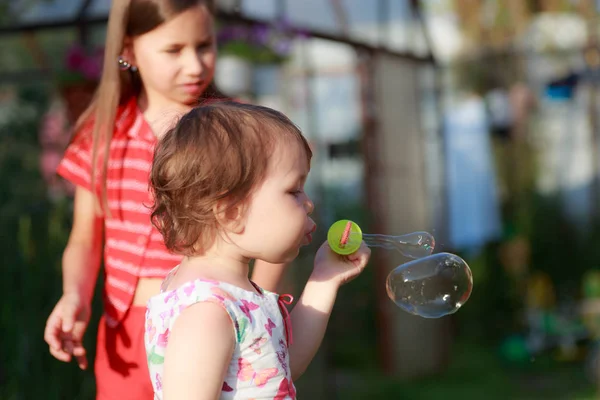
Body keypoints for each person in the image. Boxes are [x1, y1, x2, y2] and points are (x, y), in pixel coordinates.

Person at [43, 1, 288, 398]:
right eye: (174, 50)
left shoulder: (241, 130)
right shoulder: (101, 133)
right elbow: (85, 238)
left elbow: (274, 229)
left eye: (204, 45)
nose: (194, 65)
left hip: (212, 324)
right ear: (128, 51)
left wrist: (256, 310)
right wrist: (75, 296)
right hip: (122, 333)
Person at [145, 102, 371, 399]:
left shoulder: (232, 295)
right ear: (231, 212)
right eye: (294, 191)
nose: (309, 203)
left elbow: (282, 365)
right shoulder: (207, 313)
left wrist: (324, 279)